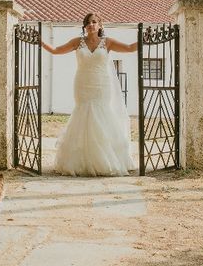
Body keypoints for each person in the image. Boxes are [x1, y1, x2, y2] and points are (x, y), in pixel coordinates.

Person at [41, 13, 137, 176]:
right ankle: (82, 160)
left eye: (94, 22)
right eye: (88, 22)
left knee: (102, 113)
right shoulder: (77, 43)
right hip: (83, 83)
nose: (91, 25)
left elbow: (129, 48)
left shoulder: (108, 42)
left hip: (101, 84)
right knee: (83, 113)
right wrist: (41, 42)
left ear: (100, 25)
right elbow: (57, 51)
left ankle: (106, 159)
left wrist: (145, 40)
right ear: (84, 26)